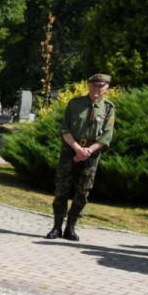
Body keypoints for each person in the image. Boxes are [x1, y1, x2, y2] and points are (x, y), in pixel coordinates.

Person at [45, 74, 115, 241]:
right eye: (94, 85)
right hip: (70, 149)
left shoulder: (108, 108)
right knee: (62, 188)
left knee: (83, 191)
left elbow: (107, 135)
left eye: (101, 86)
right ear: (88, 86)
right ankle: (56, 227)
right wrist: (77, 149)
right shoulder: (75, 104)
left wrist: (88, 151)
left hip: (91, 152)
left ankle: (71, 227)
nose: (97, 89)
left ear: (106, 89)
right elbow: (65, 129)